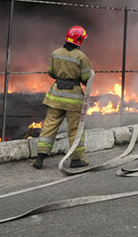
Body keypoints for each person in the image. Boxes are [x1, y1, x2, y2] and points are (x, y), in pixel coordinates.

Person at [33, 25, 93, 169]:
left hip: (55, 97)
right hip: (73, 99)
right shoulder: (81, 57)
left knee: (49, 126)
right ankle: (76, 160)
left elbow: (51, 72)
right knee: (75, 129)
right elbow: (86, 77)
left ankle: (40, 157)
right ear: (79, 40)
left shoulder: (56, 53)